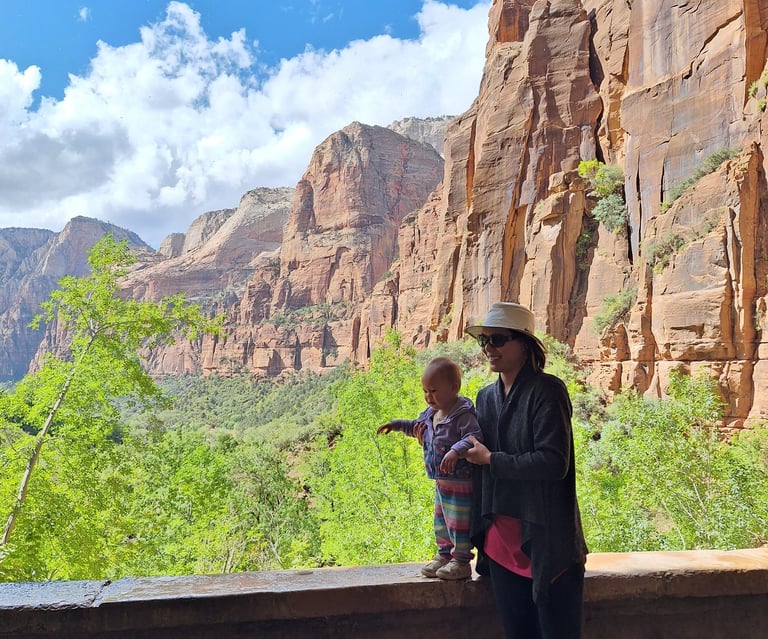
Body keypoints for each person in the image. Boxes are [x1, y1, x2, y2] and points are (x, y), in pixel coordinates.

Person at [463, 302, 588, 639]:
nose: (489, 348)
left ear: (525, 344)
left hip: (548, 545)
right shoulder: (485, 397)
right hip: (500, 546)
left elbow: (553, 462)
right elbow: (470, 451)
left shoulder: (547, 391)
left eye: (498, 339)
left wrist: (492, 460)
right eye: (484, 341)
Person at [377, 356, 482, 580]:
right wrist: (396, 425)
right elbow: (416, 426)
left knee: (458, 523)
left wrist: (456, 451)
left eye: (433, 391)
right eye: (425, 391)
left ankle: (461, 561)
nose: (428, 396)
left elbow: (473, 437)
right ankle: (444, 555)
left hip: (460, 483)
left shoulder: (462, 415)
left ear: (454, 388)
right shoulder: (431, 414)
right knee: (441, 522)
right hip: (441, 481)